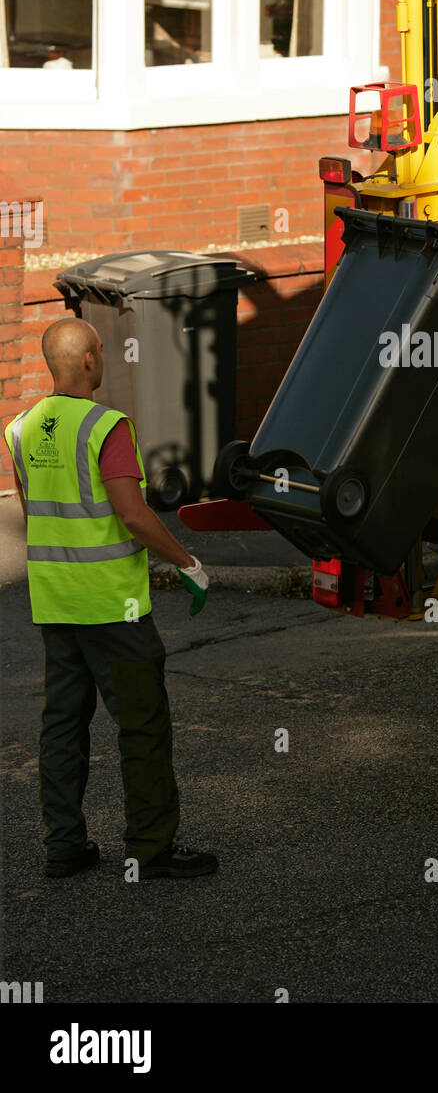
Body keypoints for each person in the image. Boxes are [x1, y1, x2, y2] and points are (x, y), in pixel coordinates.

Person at [3, 317, 217, 881]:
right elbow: (132, 514)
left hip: (55, 603)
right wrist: (186, 561)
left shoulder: (21, 427)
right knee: (142, 724)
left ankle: (65, 846)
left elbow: (34, 517)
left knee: (63, 725)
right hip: (112, 607)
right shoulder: (107, 426)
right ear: (91, 362)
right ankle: (150, 848)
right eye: (101, 349)